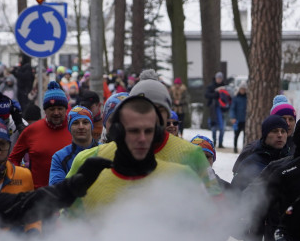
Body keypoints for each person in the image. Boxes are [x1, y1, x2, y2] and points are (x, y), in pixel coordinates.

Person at [68, 96, 200, 216]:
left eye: (148, 131)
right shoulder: (90, 175)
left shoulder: (182, 175)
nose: (142, 138)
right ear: (117, 132)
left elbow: (206, 227)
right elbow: (67, 228)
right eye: (134, 130)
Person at [8, 81, 72, 188]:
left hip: (70, 196)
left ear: (66, 109)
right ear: (44, 111)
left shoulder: (76, 130)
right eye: (51, 109)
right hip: (39, 197)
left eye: (60, 109)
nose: (56, 112)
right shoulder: (31, 131)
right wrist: (20, 180)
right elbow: (13, 159)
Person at [230, 115, 290, 189]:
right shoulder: (250, 162)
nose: (280, 135)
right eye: (275, 131)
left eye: (283, 131)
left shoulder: (292, 160)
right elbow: (234, 194)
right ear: (265, 135)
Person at [49, 106, 96, 186]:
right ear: (69, 127)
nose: (81, 127)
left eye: (85, 122)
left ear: (91, 126)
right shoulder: (59, 157)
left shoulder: (104, 150)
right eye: (75, 123)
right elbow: (56, 189)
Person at [204, 72, 231, 149]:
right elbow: (206, 95)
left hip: (223, 110)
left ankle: (220, 143)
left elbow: (229, 97)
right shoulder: (211, 86)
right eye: (218, 78)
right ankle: (214, 141)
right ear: (215, 78)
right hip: (213, 109)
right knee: (214, 127)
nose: (219, 80)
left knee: (222, 127)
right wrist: (215, 93)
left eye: (220, 78)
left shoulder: (225, 87)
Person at [231, 83, 248, 151]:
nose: (242, 90)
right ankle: (235, 147)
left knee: (245, 135)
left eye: (244, 89)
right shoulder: (236, 98)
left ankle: (244, 148)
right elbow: (232, 108)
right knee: (236, 135)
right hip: (237, 120)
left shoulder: (247, 98)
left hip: (245, 120)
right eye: (241, 89)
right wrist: (233, 117)